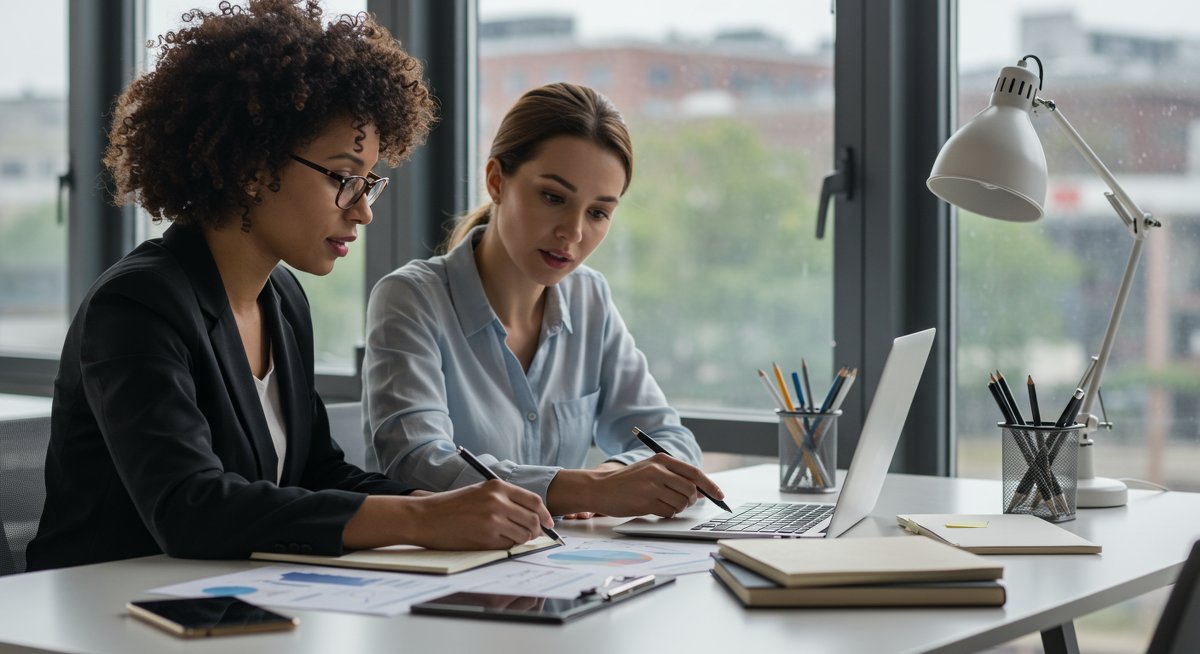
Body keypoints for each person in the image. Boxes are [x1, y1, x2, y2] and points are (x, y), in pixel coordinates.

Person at [26, 0, 552, 572]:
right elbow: (189, 507)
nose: (363, 213)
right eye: (345, 179)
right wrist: (422, 522)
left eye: (369, 184)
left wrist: (439, 504)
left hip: (229, 595)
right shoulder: (137, 305)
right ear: (254, 167)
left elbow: (318, 472)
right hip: (96, 613)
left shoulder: (281, 300)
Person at [363, 82, 726, 519]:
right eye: (554, 197)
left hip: (557, 568)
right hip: (436, 575)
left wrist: (613, 476)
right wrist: (586, 489)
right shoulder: (412, 299)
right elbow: (416, 461)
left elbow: (672, 440)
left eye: (598, 213)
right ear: (497, 181)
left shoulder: (590, 298)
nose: (573, 233)